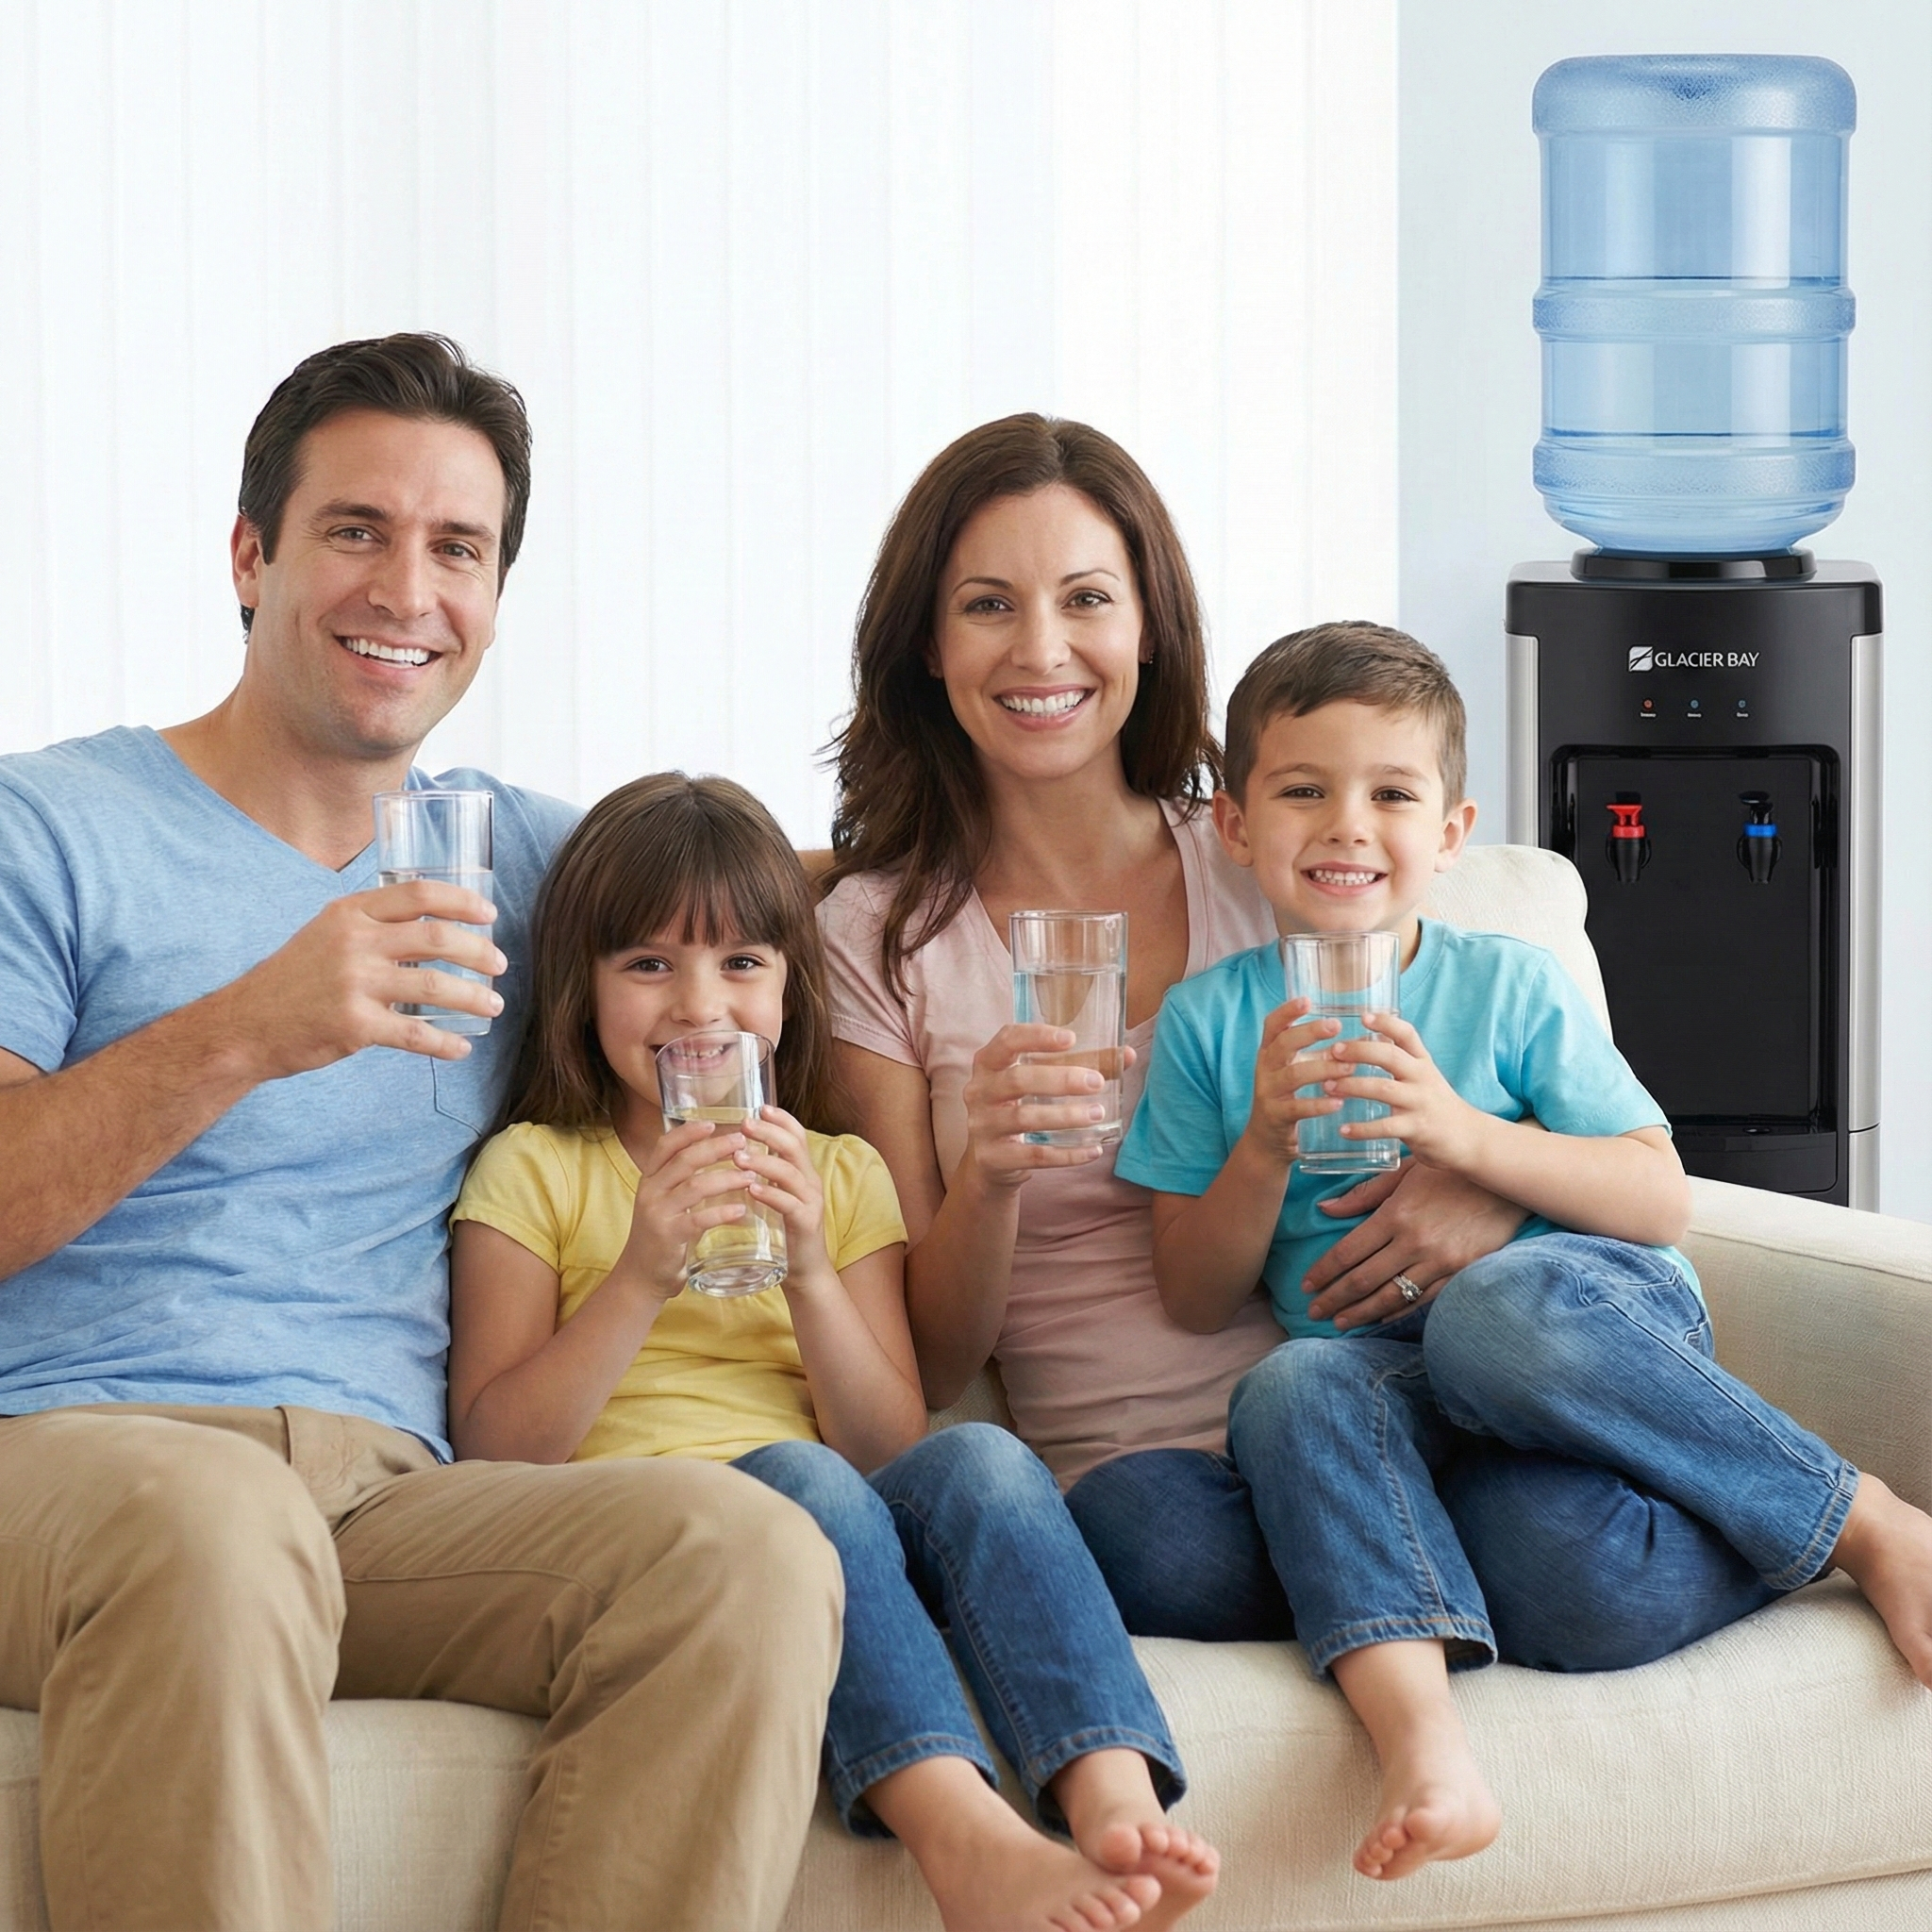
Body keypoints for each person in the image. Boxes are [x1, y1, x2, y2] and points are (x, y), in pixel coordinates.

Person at [0, 334, 842, 1932]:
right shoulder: (47, 825)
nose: (408, 586)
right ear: (252, 556)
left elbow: (766, 897)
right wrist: (249, 1023)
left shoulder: (524, 861)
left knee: (743, 1550)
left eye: (456, 547)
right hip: (63, 1455)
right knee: (213, 1515)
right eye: (355, 530)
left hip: (385, 1491)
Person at [1117, 620, 1932, 1881]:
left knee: (1491, 1319)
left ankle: (1860, 1520)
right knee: (1252, 1437)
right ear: (1236, 825)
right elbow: (1191, 1291)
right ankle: (1428, 1728)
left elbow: (1658, 1199)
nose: (1345, 824)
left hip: (1577, 1338)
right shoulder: (1211, 1025)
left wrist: (1461, 1134)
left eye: (1390, 792)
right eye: (1302, 790)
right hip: (1407, 1409)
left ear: (1449, 832)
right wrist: (1264, 1146)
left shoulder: (1510, 986)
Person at [447, 772, 1220, 1932]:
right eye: (648, 964)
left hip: (841, 1511)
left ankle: (1110, 1799)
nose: (699, 1007)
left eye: (743, 962)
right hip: (669, 1526)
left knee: (982, 1466)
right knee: (797, 1479)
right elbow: (496, 1448)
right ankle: (962, 1843)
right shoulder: (535, 1167)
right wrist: (640, 1270)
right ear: (582, 985)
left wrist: (809, 1260)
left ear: (791, 989)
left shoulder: (841, 1171)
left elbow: (888, 1438)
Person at [818, 414, 1529, 1642]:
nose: (1043, 649)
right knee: (1155, 1548)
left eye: (1086, 597)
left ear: (1147, 624)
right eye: (988, 605)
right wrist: (985, 1180)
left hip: (1377, 1407)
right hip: (1152, 1486)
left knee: (1590, 1567)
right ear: (927, 645)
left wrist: (1494, 1197)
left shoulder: (1268, 851)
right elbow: (925, 1371)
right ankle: (1423, 1591)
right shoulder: (877, 938)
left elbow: (1498, 1046)